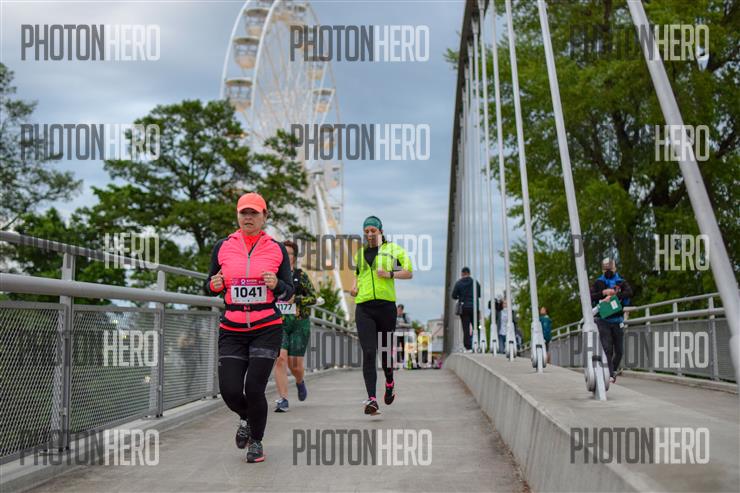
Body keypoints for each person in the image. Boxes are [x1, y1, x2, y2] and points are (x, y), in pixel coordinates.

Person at [206, 192, 294, 463]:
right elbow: (209, 283)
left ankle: (256, 441)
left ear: (264, 216)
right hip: (232, 329)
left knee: (254, 389)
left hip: (266, 328)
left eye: (254, 213)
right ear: (237, 215)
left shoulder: (276, 249)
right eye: (243, 212)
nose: (248, 217)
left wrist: (276, 285)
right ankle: (246, 417)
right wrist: (214, 285)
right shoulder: (223, 246)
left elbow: (289, 292)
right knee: (230, 391)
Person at [350, 216, 413, 415]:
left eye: (373, 231)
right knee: (369, 352)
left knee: (385, 354)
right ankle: (372, 399)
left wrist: (390, 274)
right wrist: (354, 287)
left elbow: (408, 272)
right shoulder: (360, 254)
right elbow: (359, 275)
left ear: (381, 231)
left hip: (385, 308)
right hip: (364, 308)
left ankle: (389, 382)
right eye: (366, 231)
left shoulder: (392, 250)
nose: (369, 234)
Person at [273, 240, 317, 412]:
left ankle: (299, 381)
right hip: (279, 323)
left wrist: (296, 299)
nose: (286, 256)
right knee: (280, 359)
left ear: (294, 257)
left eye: (289, 253)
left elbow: (313, 298)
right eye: (283, 252)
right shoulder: (273, 276)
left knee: (295, 365)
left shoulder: (300, 275)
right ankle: (283, 399)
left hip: (299, 323)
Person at [590, 257, 633, 383]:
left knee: (619, 351)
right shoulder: (598, 282)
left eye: (610, 268)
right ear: (603, 270)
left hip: (617, 319)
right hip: (603, 319)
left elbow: (629, 293)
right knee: (607, 348)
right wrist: (603, 293)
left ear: (614, 268)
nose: (608, 271)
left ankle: (612, 370)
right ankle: (609, 374)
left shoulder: (621, 281)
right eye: (606, 269)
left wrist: (614, 295)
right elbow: (590, 296)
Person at [451, 267, 481, 352]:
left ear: (462, 273)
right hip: (474, 307)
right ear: (469, 273)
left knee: (466, 328)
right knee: (476, 327)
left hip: (464, 308)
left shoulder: (458, 283)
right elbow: (479, 294)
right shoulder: (475, 283)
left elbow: (453, 296)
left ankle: (468, 347)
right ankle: (477, 343)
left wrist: (460, 297)